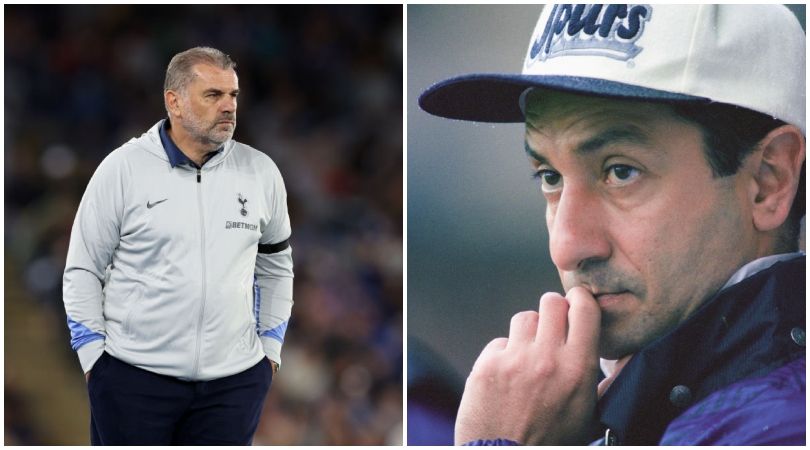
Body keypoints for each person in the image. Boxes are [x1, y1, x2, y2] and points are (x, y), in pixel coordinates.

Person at [419, 4, 805, 445]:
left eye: (620, 171)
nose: (567, 246)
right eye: (550, 176)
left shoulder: (779, 430)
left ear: (768, 181)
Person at [62, 46, 294, 445]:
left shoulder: (261, 172)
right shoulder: (123, 169)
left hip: (232, 385)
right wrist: (93, 360)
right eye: (213, 95)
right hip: (133, 379)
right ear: (174, 101)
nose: (228, 107)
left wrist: (268, 352)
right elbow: (83, 269)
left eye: (233, 95)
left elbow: (276, 265)